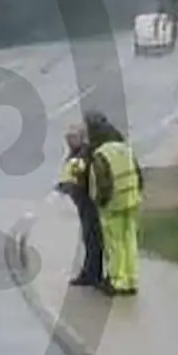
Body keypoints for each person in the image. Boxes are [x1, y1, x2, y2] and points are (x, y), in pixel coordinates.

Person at [84, 112, 144, 296]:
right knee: (129, 239)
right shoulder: (124, 147)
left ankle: (118, 281)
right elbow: (137, 171)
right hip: (132, 198)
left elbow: (100, 183)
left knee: (114, 242)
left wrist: (98, 202)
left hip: (113, 204)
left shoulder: (101, 154)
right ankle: (132, 279)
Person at [56, 124, 103, 286]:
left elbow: (77, 175)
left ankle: (92, 273)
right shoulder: (77, 154)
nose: (68, 141)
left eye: (72, 138)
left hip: (88, 200)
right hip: (82, 200)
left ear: (80, 138)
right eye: (67, 138)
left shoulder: (83, 154)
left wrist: (67, 185)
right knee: (88, 237)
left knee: (92, 237)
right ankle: (90, 271)